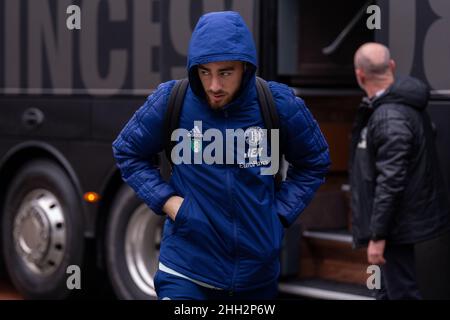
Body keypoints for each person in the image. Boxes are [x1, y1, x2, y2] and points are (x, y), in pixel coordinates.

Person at [112, 11, 330, 300]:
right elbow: (127, 151)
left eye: (225, 72)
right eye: (205, 72)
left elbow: (314, 161)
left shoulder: (278, 103)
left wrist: (277, 216)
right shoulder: (171, 100)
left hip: (256, 275)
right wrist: (169, 202)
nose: (214, 85)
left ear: (245, 68)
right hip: (185, 268)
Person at [350, 42, 450, 299]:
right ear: (391, 66)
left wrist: (378, 235)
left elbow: (391, 181)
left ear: (359, 75)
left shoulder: (389, 116)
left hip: (395, 226)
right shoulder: (396, 108)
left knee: (401, 292)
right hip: (399, 221)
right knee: (387, 292)